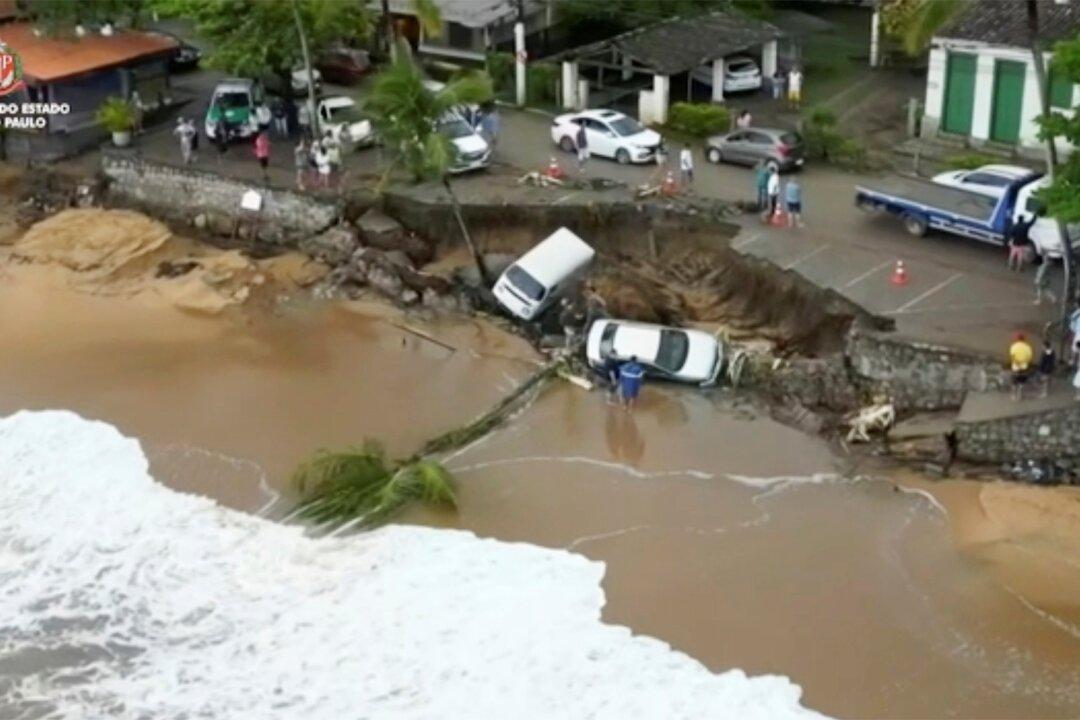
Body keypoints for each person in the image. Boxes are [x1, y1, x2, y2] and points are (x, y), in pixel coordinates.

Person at [1008, 332, 1034, 401]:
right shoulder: (1027, 347)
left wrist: (1017, 362)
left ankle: (1014, 396)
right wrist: (1024, 362)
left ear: (1017, 339)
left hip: (1016, 367)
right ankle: (1020, 395)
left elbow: (1012, 357)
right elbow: (1029, 358)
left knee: (1014, 382)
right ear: (1024, 339)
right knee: (1021, 382)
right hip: (1024, 367)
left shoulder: (1014, 346)